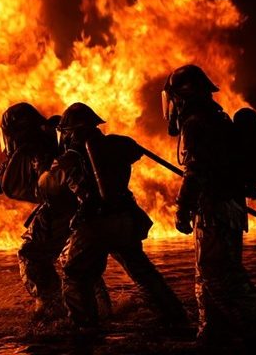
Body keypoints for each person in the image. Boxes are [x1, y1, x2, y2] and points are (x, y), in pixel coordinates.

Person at [161, 64, 256, 348]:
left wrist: (182, 208)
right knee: (208, 275)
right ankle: (212, 335)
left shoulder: (195, 124)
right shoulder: (216, 119)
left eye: (173, 98)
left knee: (222, 276)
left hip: (216, 209)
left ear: (181, 96)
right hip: (223, 208)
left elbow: (196, 172)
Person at [41, 102, 186, 329]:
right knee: (142, 271)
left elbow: (45, 186)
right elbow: (134, 151)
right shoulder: (119, 145)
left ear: (69, 132)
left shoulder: (67, 159)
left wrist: (47, 165)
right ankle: (175, 317)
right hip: (124, 219)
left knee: (75, 275)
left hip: (94, 224)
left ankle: (85, 328)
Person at [0, 102, 110, 320]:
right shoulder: (49, 138)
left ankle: (53, 307)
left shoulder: (36, 147)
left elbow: (42, 179)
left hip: (61, 209)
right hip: (78, 208)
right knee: (78, 261)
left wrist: (4, 180)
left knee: (31, 255)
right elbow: (17, 170)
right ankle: (99, 309)